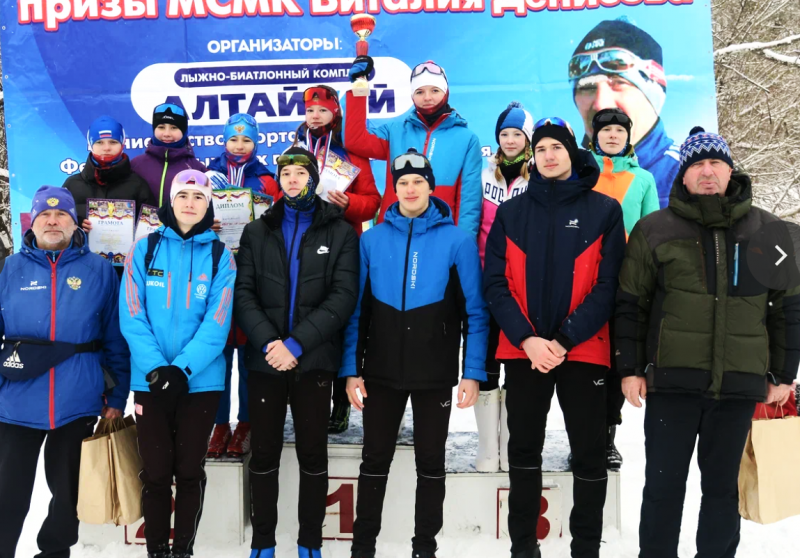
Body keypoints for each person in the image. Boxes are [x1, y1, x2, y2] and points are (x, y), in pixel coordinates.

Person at [615, 127, 800, 558]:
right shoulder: (654, 230)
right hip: (672, 385)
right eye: (697, 164)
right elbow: (631, 304)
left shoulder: (769, 231)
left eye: (715, 162)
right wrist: (629, 368)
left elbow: (787, 308)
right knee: (663, 488)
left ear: (730, 170)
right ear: (683, 175)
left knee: (722, 491)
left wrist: (783, 373)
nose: (707, 171)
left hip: (738, 386)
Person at [484, 118, 626, 558]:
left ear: (571, 152)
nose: (548, 155)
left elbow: (608, 286)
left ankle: (586, 549)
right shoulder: (511, 212)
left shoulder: (604, 210)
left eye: (556, 148)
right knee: (524, 452)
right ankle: (523, 549)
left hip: (582, 351)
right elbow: (496, 285)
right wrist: (527, 340)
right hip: (524, 353)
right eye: (541, 148)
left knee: (589, 454)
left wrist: (564, 340)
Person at [342, 149, 489, 558]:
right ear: (395, 189)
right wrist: (352, 369)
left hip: (434, 373)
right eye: (402, 183)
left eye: (418, 182)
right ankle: (362, 548)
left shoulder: (457, 240)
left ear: (430, 187)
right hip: (381, 372)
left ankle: (425, 548)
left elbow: (476, 312)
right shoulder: (371, 239)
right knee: (374, 460)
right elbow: (357, 312)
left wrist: (472, 371)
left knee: (431, 462)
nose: (410, 189)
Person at [233, 147, 359, 558]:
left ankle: (310, 543)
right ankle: (263, 543)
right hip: (265, 359)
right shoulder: (257, 230)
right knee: (264, 452)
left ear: (312, 179)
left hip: (313, 360)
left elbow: (343, 297)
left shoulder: (339, 231)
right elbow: (244, 293)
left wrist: (297, 343)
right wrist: (271, 343)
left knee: (312, 453)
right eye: (285, 173)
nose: (291, 179)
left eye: (300, 173)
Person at [0, 186, 130, 558]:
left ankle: (54, 553)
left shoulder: (99, 269)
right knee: (8, 493)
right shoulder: (10, 268)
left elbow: (115, 336)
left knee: (68, 494)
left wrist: (116, 395)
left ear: (75, 224)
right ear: (32, 222)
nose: (53, 221)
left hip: (77, 398)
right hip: (16, 402)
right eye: (45, 214)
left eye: (62, 215)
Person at [120, 170, 236, 558]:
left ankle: (183, 550)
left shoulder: (220, 256)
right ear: (171, 202)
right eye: (183, 195)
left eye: (198, 197)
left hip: (199, 383)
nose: (190, 203)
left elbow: (218, 321)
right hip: (150, 381)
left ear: (208, 205)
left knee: (188, 471)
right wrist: (156, 369)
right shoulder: (144, 249)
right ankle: (156, 550)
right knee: (155, 473)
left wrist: (182, 369)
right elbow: (131, 313)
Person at [293, 84, 381, 434]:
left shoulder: (351, 151)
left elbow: (372, 201)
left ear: (336, 113)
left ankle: (341, 402)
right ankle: (310, 397)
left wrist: (350, 204)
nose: (315, 116)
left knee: (343, 321)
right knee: (308, 317)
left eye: (323, 110)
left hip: (342, 245)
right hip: (303, 247)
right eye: (310, 110)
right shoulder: (296, 150)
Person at [587, 107, 659, 469]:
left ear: (628, 136)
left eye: (619, 130)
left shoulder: (644, 179)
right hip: (584, 282)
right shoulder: (581, 174)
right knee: (585, 362)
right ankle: (584, 436)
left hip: (625, 283)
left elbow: (652, 234)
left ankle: (607, 438)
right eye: (606, 130)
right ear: (595, 136)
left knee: (617, 360)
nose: (613, 135)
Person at [205, 113, 280, 459]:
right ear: (223, 141)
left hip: (253, 274)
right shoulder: (207, 175)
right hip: (215, 272)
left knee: (250, 357)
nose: (239, 146)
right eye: (233, 139)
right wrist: (206, 221)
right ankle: (219, 424)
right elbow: (187, 214)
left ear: (256, 142)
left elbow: (278, 221)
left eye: (246, 139)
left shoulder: (266, 178)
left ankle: (246, 423)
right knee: (217, 356)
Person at [345, 58, 483, 237]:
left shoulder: (466, 139)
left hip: (440, 236)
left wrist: (463, 244)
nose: (427, 98)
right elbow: (355, 140)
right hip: (393, 233)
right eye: (420, 91)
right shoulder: (395, 131)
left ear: (446, 91)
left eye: (435, 90)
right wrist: (358, 89)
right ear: (412, 95)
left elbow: (469, 202)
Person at [475, 101, 534, 473]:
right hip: (486, 283)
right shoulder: (485, 175)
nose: (510, 140)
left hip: (521, 289)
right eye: (504, 134)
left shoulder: (537, 177)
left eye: (517, 134)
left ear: (528, 138)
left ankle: (510, 446)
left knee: (516, 365)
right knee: (484, 364)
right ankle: (487, 448)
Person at [569, 17, 679, 207]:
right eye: (587, 87)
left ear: (654, 93)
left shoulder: (685, 173)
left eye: (619, 83)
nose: (601, 104)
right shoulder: (569, 176)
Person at [63, 115, 156, 242]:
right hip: (82, 254)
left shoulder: (138, 185)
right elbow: (57, 223)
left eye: (113, 142)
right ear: (90, 145)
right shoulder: (72, 185)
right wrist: (76, 223)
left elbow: (150, 231)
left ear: (122, 144)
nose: (106, 148)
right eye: (99, 142)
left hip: (127, 254)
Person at [130, 102, 208, 207]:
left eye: (174, 128)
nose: (166, 134)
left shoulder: (197, 169)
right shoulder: (136, 165)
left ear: (184, 130)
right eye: (161, 127)